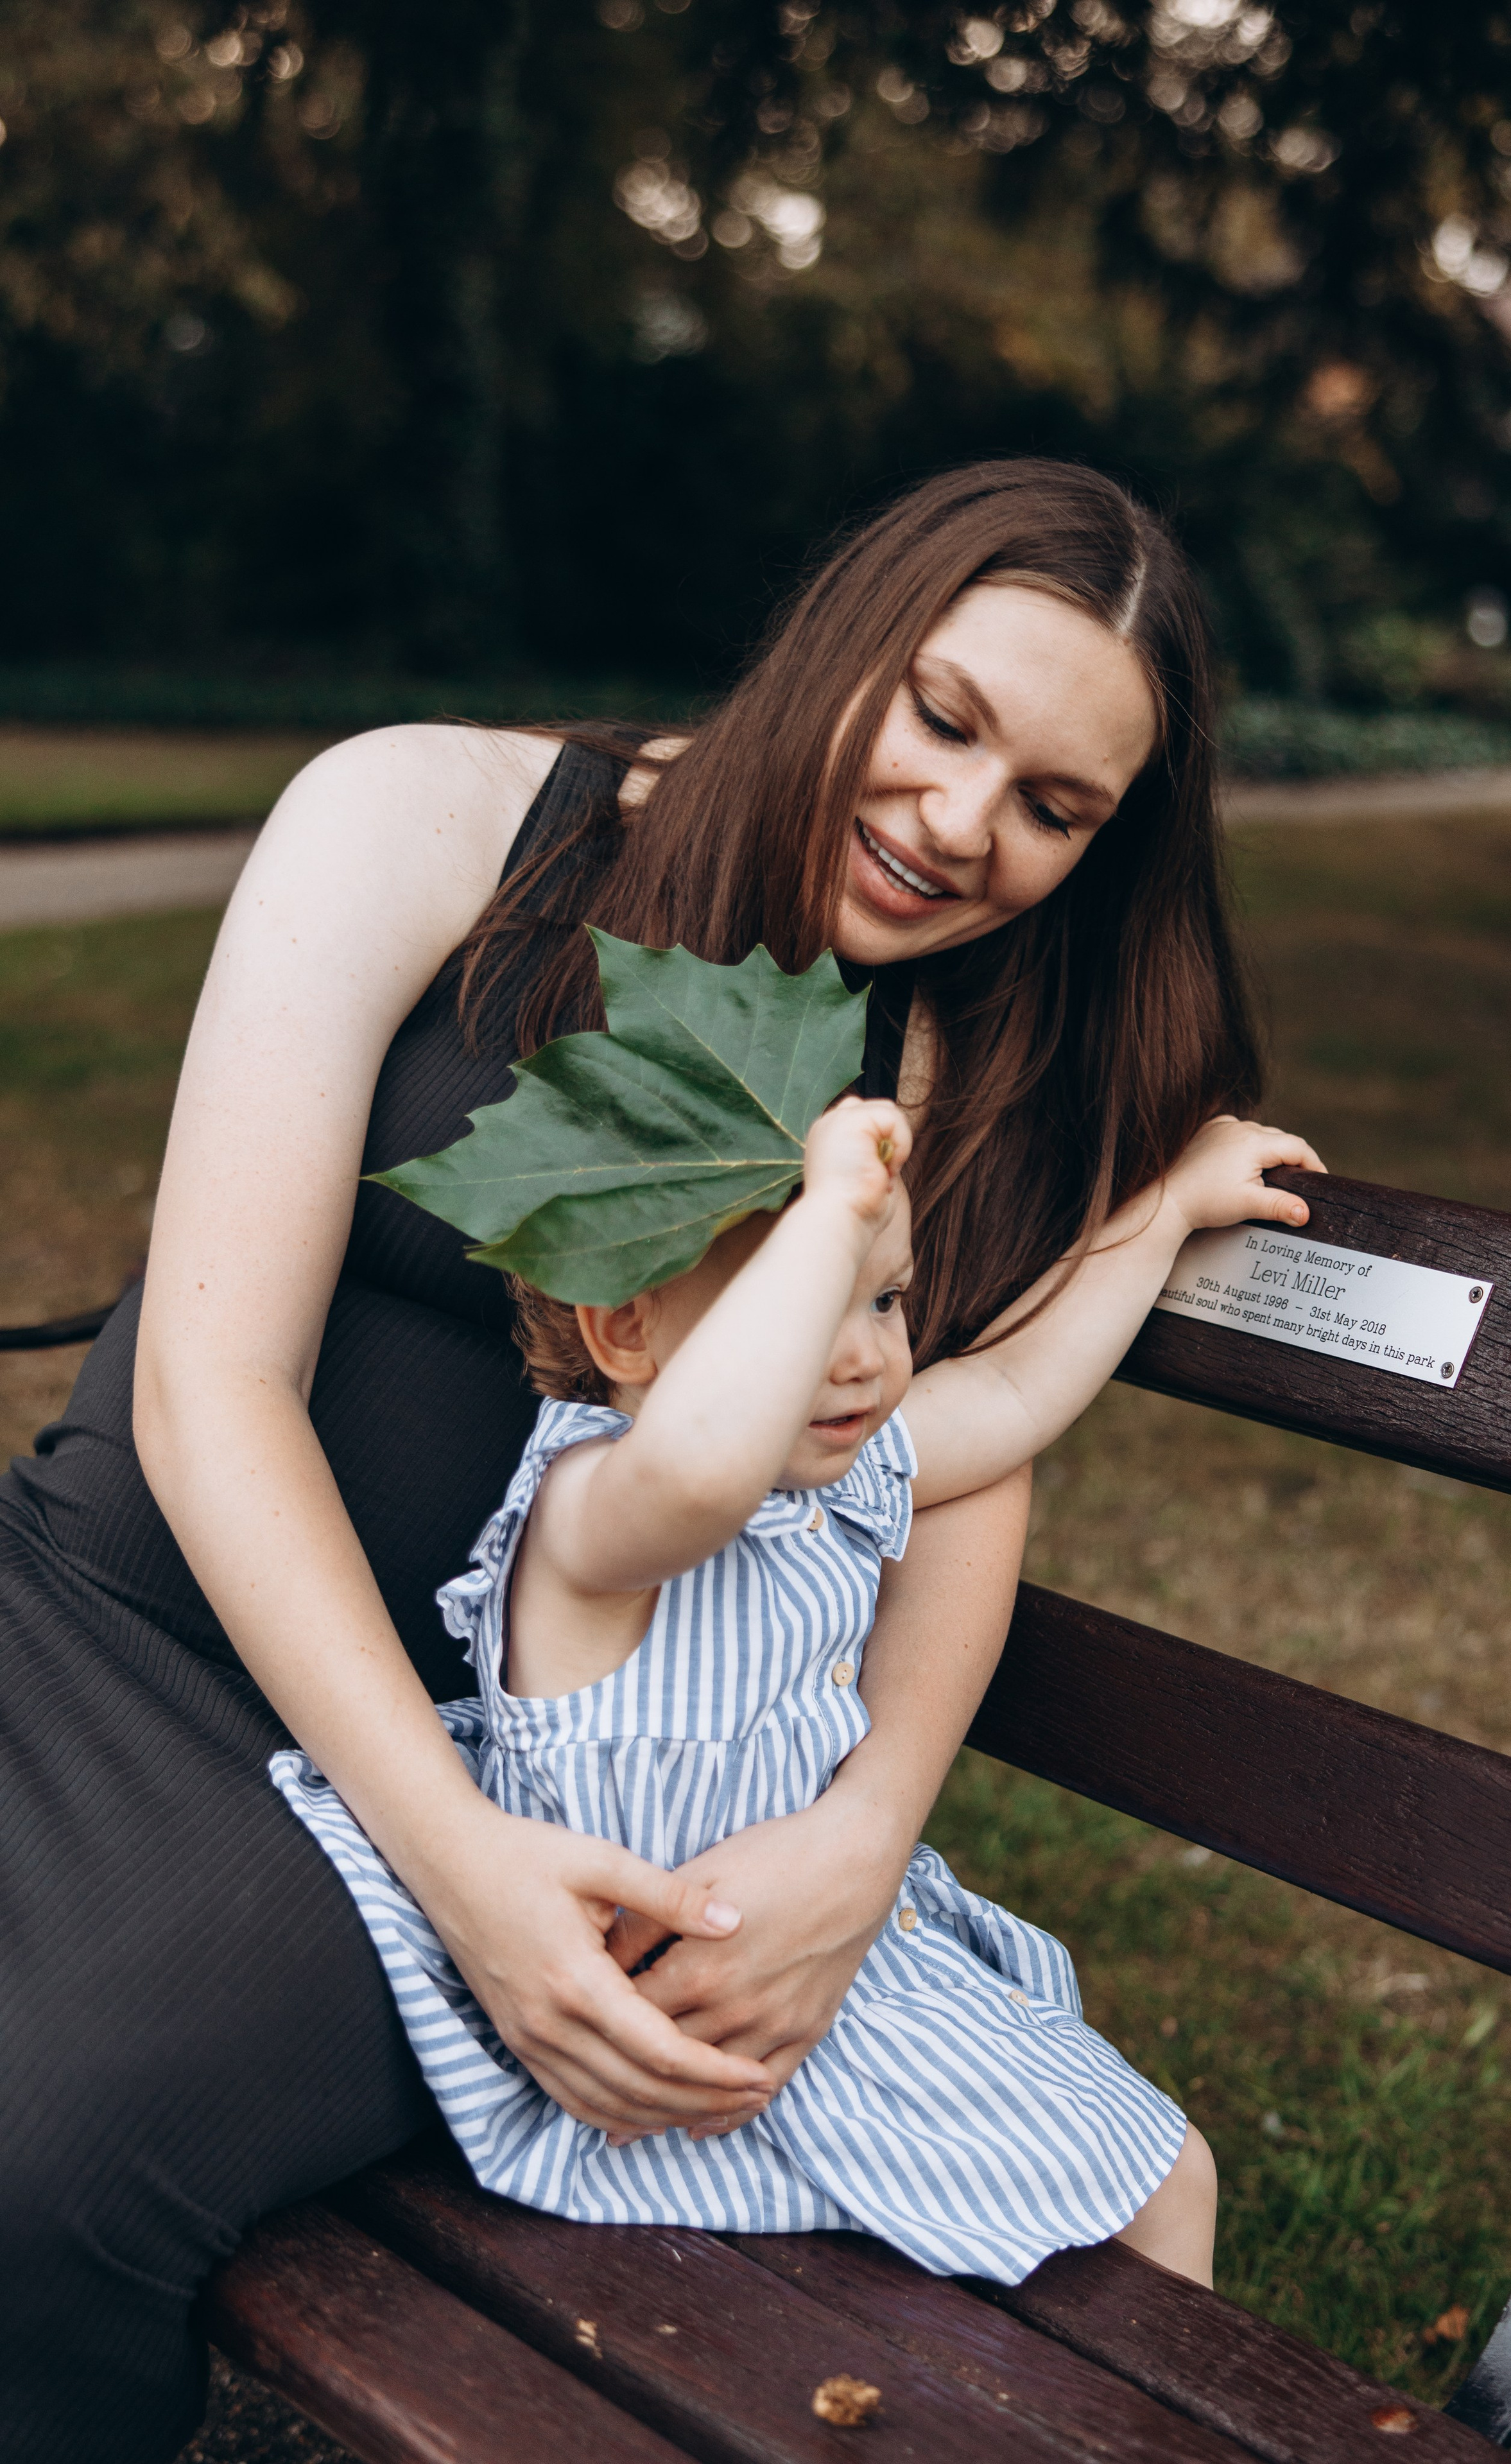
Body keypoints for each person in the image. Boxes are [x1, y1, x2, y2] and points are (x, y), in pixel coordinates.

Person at [0, 458, 1300, 2462]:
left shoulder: (963, 1065)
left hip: (475, 1798)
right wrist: (462, 1859)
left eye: (1054, 807)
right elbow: (212, 1382)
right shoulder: (431, 818)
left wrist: (860, 1837)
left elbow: (948, 1464)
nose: (964, 823)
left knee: (42, 2159)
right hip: (109, 1614)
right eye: (942, 716)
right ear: (845, 635)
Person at [277, 1077, 1318, 2287]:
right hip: (689, 2043)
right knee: (1158, 2177)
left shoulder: (836, 1472)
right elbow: (699, 1472)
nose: (867, 1354)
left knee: (1169, 2178)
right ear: (627, 1331)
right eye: (806, 1302)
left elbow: (1018, 1391)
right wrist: (832, 1210)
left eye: (884, 1298)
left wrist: (1165, 1210)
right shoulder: (592, 1512)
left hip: (805, 1976)